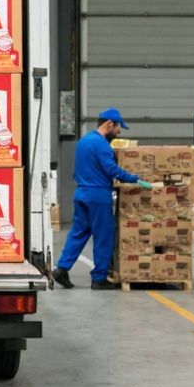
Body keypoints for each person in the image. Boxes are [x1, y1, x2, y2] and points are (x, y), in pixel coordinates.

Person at [52, 108, 155, 290]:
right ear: (109, 124)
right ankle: (99, 278)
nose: (119, 132)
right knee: (103, 236)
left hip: (81, 193)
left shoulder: (83, 142)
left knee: (79, 233)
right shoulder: (102, 145)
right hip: (98, 196)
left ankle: (62, 268)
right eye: (118, 127)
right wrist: (135, 179)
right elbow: (111, 170)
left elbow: (79, 170)